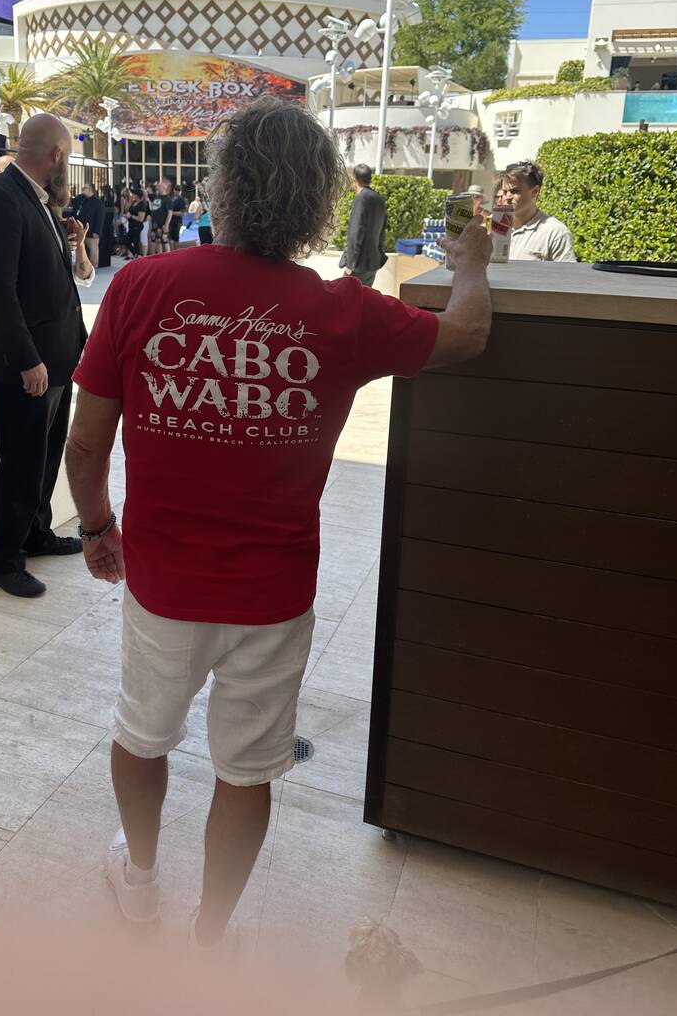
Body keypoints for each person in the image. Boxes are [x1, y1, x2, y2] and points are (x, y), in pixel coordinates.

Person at [64, 96, 493, 948]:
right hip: (273, 590)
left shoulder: (145, 286)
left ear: (221, 186)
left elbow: (83, 445)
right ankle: (210, 936)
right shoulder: (346, 314)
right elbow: (467, 333)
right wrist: (472, 260)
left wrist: (95, 530)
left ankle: (140, 884)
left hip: (164, 579)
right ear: (317, 203)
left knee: (141, 735)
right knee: (247, 769)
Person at [0, 113, 96, 599]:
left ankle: (36, 534)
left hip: (56, 360)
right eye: (70, 160)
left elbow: (39, 278)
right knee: (21, 461)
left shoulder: (37, 202)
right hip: (27, 367)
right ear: (57, 157)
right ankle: (4, 558)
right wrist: (26, 360)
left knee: (45, 456)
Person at [495, 161, 576, 262]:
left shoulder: (556, 233)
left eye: (515, 191)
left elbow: (566, 275)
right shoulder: (493, 228)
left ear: (535, 192)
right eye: (505, 192)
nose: (507, 197)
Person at [340, 164, 387, 286]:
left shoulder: (361, 198)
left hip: (359, 264)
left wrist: (350, 263)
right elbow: (382, 230)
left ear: (353, 179)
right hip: (373, 262)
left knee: (347, 299)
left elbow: (356, 232)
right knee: (364, 299)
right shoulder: (379, 199)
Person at [76, 182, 106, 269]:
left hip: (92, 231)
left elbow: (100, 218)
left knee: (93, 251)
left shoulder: (98, 203)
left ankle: (93, 267)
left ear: (90, 190)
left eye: (85, 188)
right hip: (82, 231)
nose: (83, 189)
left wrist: (97, 231)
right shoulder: (82, 200)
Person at [147, 179, 172, 255]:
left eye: (160, 186)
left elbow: (170, 213)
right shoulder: (155, 197)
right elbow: (147, 192)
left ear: (164, 187)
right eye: (158, 186)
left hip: (163, 223)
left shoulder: (168, 199)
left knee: (165, 241)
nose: (158, 187)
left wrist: (167, 225)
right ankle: (159, 256)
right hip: (155, 223)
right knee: (156, 240)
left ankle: (168, 258)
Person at [127, 186, 148, 257]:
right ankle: (136, 254)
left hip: (137, 225)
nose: (132, 195)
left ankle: (137, 255)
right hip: (131, 225)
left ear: (136, 195)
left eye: (133, 194)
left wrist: (131, 216)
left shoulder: (141, 205)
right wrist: (130, 200)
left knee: (135, 241)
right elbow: (127, 209)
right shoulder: (133, 202)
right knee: (128, 241)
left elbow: (141, 218)